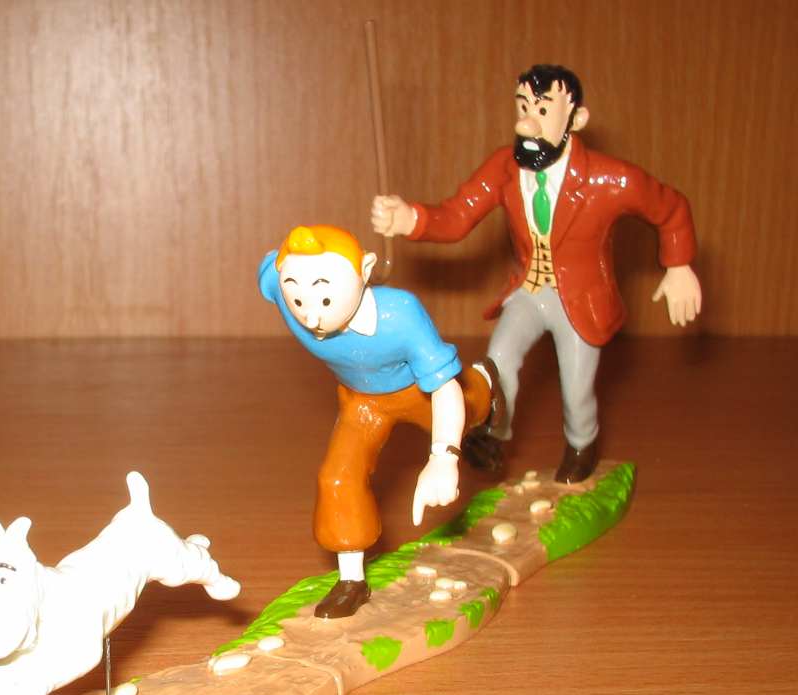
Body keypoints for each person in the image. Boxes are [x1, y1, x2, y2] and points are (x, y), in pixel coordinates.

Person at [371, 64, 701, 483]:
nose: (526, 123)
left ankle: (581, 445)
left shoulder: (609, 178)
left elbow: (671, 208)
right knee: (498, 361)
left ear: (576, 119)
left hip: (580, 300)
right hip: (529, 290)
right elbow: (458, 215)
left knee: (575, 385)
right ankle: (493, 434)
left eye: (542, 110)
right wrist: (411, 218)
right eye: (523, 107)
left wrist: (678, 265)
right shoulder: (505, 168)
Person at [258, 225, 497, 619]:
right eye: (297, 298)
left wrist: (443, 458)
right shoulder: (279, 282)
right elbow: (269, 267)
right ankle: (352, 580)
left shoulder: (401, 315)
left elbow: (443, 388)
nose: (311, 315)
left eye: (325, 297)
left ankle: (486, 383)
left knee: (465, 412)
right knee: (337, 478)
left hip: (417, 390)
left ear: (366, 270)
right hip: (361, 401)